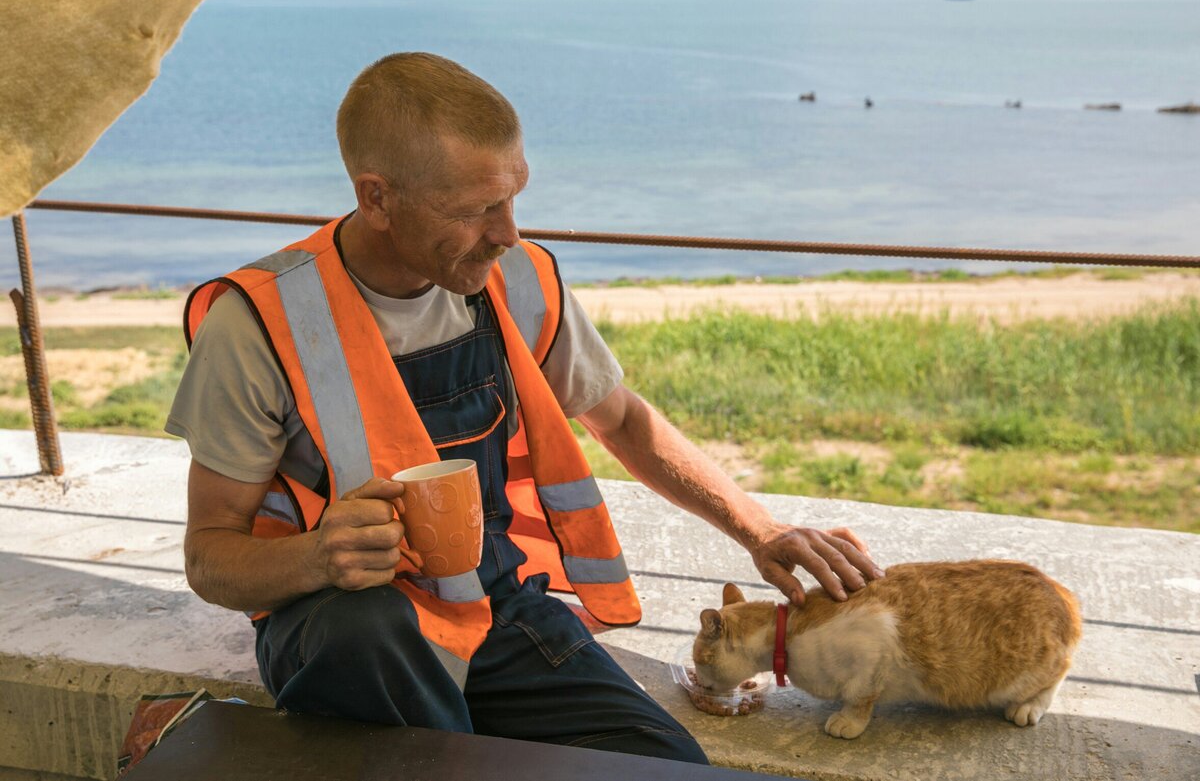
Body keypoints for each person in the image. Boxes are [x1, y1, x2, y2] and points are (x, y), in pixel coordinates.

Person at [167, 52, 882, 764]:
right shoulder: (259, 322)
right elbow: (209, 556)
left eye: (512, 197)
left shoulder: (517, 276)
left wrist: (760, 530)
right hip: (344, 626)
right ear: (377, 198)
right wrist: (317, 556)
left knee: (661, 761)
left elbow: (622, 419)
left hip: (496, 610)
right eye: (477, 209)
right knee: (378, 636)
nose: (509, 231)